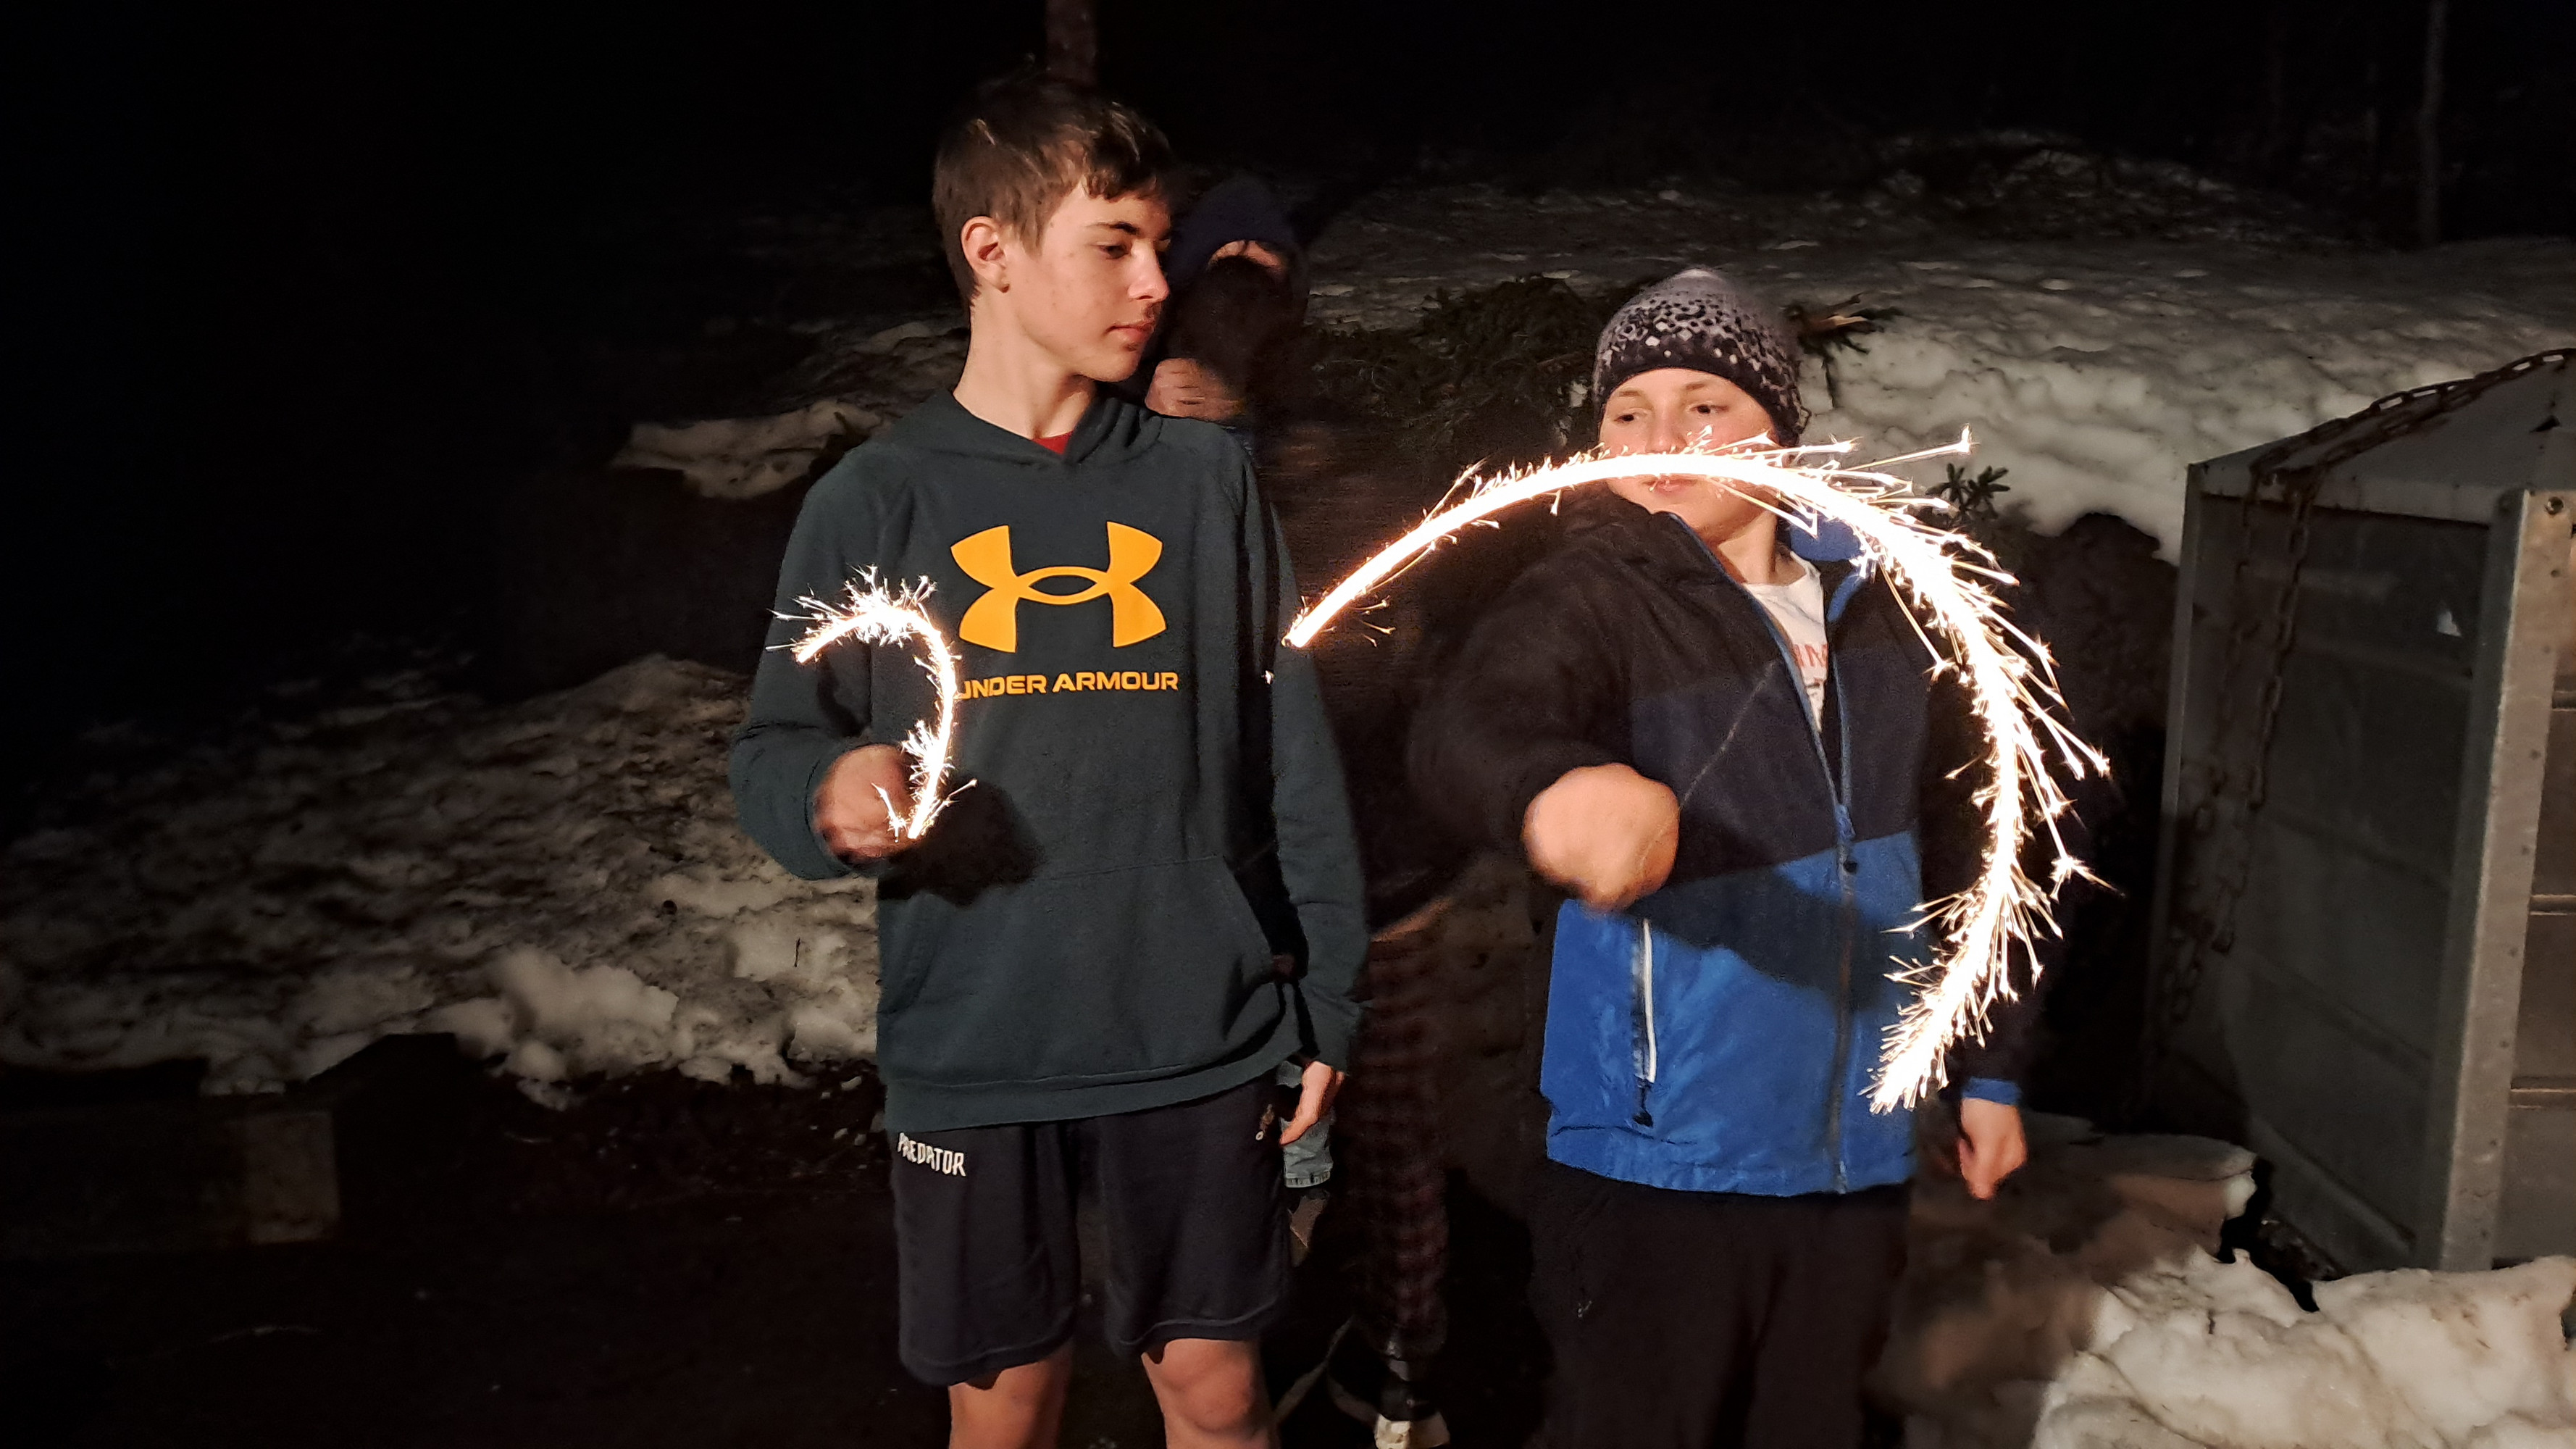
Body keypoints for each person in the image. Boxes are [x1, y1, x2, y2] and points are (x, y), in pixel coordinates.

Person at [728, 75, 1367, 1449]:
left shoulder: (1203, 482)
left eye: (1161, 246)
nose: (1157, 283)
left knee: (1218, 1392)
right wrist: (826, 793)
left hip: (1194, 1032)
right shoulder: (877, 499)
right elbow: (775, 743)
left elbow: (1292, 758)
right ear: (994, 252)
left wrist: (1330, 997)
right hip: (982, 1042)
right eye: (1114, 245)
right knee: (1007, 1402)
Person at [1406, 267, 2037, 1448]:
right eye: (1628, 411)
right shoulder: (1590, 597)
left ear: (1780, 428)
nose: (1661, 437)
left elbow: (1983, 843)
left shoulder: (1891, 608)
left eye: (1705, 405)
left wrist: (1991, 1069)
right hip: (1656, 1165)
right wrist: (1548, 789)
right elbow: (1473, 721)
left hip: (1853, 1155)